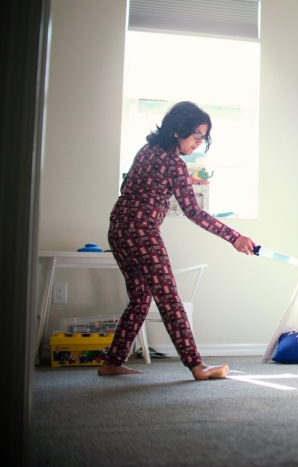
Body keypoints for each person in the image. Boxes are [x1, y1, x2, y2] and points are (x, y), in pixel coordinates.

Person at [99, 101, 255, 380]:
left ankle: (112, 362)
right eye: (196, 134)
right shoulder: (174, 163)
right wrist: (234, 237)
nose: (199, 142)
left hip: (118, 229)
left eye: (202, 137)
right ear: (177, 129)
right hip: (141, 232)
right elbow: (194, 211)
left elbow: (127, 189)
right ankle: (197, 366)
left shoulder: (146, 151)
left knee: (140, 299)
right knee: (168, 297)